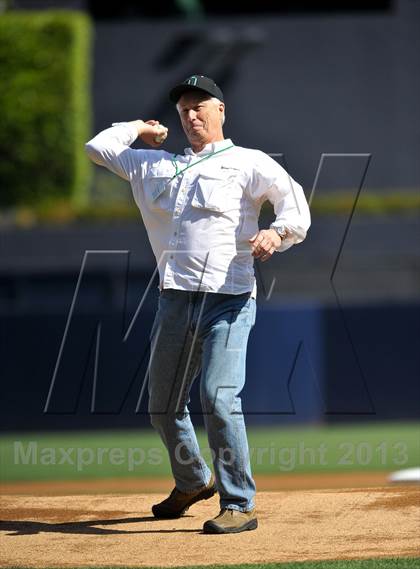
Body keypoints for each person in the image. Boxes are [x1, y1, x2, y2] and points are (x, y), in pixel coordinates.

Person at [85, 75, 311, 534]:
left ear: (221, 111)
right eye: (185, 107)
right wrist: (137, 128)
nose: (191, 114)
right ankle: (192, 481)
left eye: (201, 104)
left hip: (228, 300)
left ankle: (239, 503)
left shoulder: (247, 162)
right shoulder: (156, 166)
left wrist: (276, 233)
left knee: (218, 397)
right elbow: (98, 147)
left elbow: (295, 206)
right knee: (163, 405)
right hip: (175, 300)